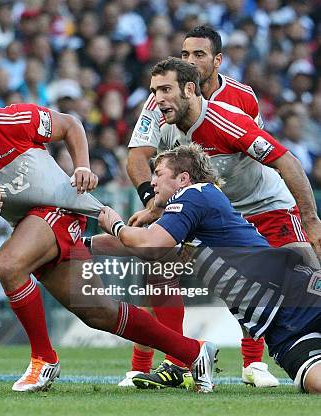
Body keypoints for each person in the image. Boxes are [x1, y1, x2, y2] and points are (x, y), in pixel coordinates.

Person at [0, 79, 218, 393]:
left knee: (8, 264)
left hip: (61, 207)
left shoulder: (12, 120)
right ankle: (193, 352)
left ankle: (43, 360)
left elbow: (71, 126)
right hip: (30, 227)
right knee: (100, 313)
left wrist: (82, 167)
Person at [125, 52, 320, 389]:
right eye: (154, 91)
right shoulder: (156, 110)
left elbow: (286, 161)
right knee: (156, 261)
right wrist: (154, 205)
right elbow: (136, 158)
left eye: (165, 90)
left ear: (190, 88)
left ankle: (254, 363)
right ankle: (169, 362)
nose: (157, 98)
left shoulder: (230, 116)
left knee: (306, 277)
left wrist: (311, 219)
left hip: (265, 205)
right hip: (213, 211)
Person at [92, 143, 321, 394]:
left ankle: (245, 364)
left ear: (183, 178)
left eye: (158, 173)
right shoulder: (189, 211)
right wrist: (81, 244)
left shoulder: (195, 194)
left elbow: (150, 244)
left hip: (296, 295)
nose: (152, 182)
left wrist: (116, 225)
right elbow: (138, 244)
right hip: (278, 330)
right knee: (316, 385)